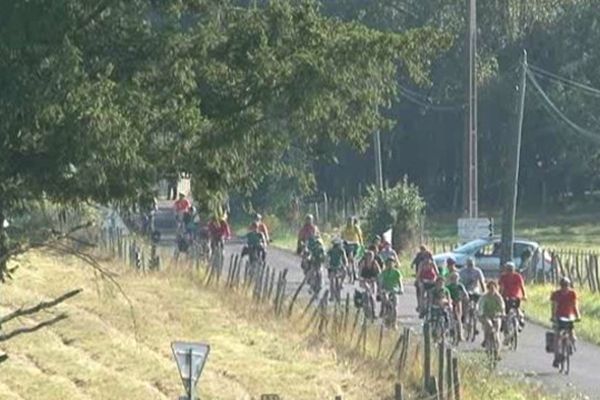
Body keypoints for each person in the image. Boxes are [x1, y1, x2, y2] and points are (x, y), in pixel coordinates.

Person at [550, 277, 581, 368]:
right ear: (561, 286)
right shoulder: (556, 294)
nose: (565, 288)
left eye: (566, 286)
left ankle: (571, 345)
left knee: (572, 335)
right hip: (559, 316)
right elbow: (554, 306)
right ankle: (557, 357)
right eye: (563, 286)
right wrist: (553, 317)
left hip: (569, 317)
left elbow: (575, 305)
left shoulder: (572, 294)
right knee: (557, 337)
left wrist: (578, 316)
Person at [477, 281, 505, 354]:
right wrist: (481, 313)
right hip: (486, 315)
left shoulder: (498, 297)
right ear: (488, 288)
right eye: (490, 288)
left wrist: (502, 313)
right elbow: (481, 306)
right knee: (488, 325)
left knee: (497, 329)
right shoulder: (484, 297)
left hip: (496, 315)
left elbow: (502, 306)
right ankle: (486, 340)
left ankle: (498, 351)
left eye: (494, 288)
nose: (492, 290)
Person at [460, 258, 486, 335]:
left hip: (475, 290)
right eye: (469, 264)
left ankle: (475, 323)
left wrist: (484, 291)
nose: (470, 266)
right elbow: (459, 283)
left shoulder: (478, 271)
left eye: (471, 265)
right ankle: (464, 317)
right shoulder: (462, 271)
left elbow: (482, 282)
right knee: (465, 303)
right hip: (465, 290)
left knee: (477, 306)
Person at [498, 261, 527, 329]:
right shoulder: (503, 277)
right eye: (508, 269)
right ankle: (503, 322)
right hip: (506, 296)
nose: (509, 271)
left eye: (511, 269)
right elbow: (501, 287)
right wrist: (499, 296)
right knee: (505, 309)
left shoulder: (517, 276)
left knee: (517, 308)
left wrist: (524, 295)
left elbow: (522, 286)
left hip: (516, 296)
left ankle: (520, 320)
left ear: (514, 269)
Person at [446, 272, 468, 341]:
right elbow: (445, 294)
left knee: (458, 318)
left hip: (458, 301)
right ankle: (450, 329)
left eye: (456, 278)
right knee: (449, 316)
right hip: (451, 302)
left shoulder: (460, 286)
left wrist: (466, 297)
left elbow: (465, 293)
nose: (454, 280)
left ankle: (460, 334)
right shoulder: (448, 286)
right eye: (453, 278)